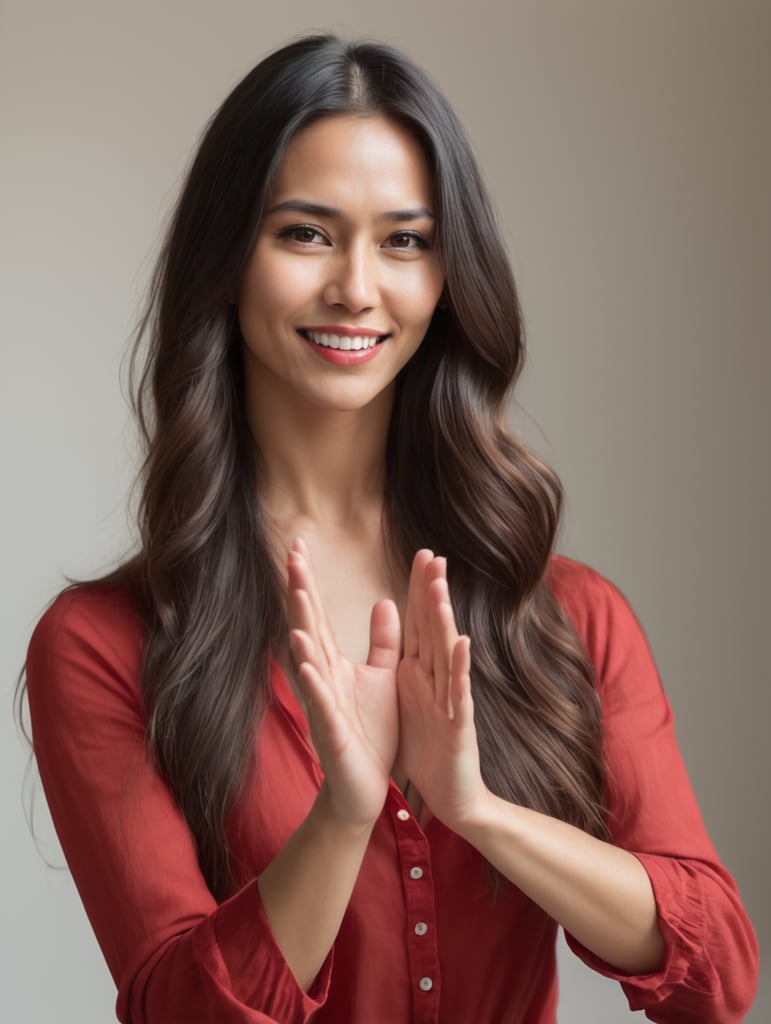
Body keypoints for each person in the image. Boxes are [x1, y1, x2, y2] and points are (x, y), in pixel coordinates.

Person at [21, 33, 758, 1024]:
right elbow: (178, 1008)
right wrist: (343, 813)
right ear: (227, 261)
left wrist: (483, 813)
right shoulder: (104, 647)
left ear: (449, 276)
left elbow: (715, 973)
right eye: (306, 234)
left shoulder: (570, 618)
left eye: (405, 240)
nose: (358, 288)